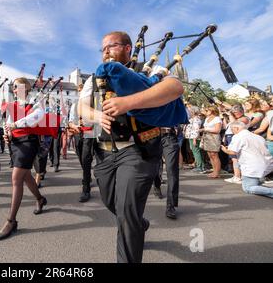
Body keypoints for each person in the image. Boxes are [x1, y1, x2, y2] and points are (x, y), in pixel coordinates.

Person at [78, 31, 186, 263]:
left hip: (139, 151)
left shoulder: (145, 72)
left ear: (128, 48)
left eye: (112, 46)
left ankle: (132, 227)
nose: (106, 51)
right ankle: (139, 223)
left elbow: (176, 88)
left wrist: (128, 102)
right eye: (103, 48)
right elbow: (82, 108)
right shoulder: (95, 78)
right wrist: (97, 116)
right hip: (105, 151)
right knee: (112, 203)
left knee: (126, 213)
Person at [0, 77, 48, 240]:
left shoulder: (35, 101)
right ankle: (40, 199)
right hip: (15, 143)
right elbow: (8, 124)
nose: (15, 89)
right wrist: (8, 134)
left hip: (29, 141)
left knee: (16, 178)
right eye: (14, 87)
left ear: (26, 88)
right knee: (26, 176)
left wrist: (16, 125)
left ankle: (11, 221)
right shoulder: (12, 106)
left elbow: (37, 117)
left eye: (18, 86)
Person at [221, 121, 273, 198]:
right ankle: (261, 184)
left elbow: (232, 151)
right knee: (255, 184)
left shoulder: (238, 136)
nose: (232, 132)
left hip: (252, 166)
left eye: (232, 129)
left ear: (236, 128)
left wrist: (224, 150)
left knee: (248, 188)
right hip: (267, 164)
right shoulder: (258, 136)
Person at [68, 83, 95, 202]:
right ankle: (87, 176)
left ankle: (86, 189)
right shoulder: (74, 105)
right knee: (81, 158)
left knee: (86, 158)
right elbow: (69, 121)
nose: (81, 93)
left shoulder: (93, 104)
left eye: (82, 90)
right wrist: (74, 125)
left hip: (90, 133)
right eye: (79, 91)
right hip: (78, 133)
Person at [199, 106, 222, 178]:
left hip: (214, 137)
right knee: (210, 155)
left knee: (214, 155)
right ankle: (214, 171)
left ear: (212, 111)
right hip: (206, 137)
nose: (206, 111)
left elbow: (217, 130)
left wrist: (205, 129)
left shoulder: (217, 118)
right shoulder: (207, 118)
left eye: (207, 110)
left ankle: (217, 173)